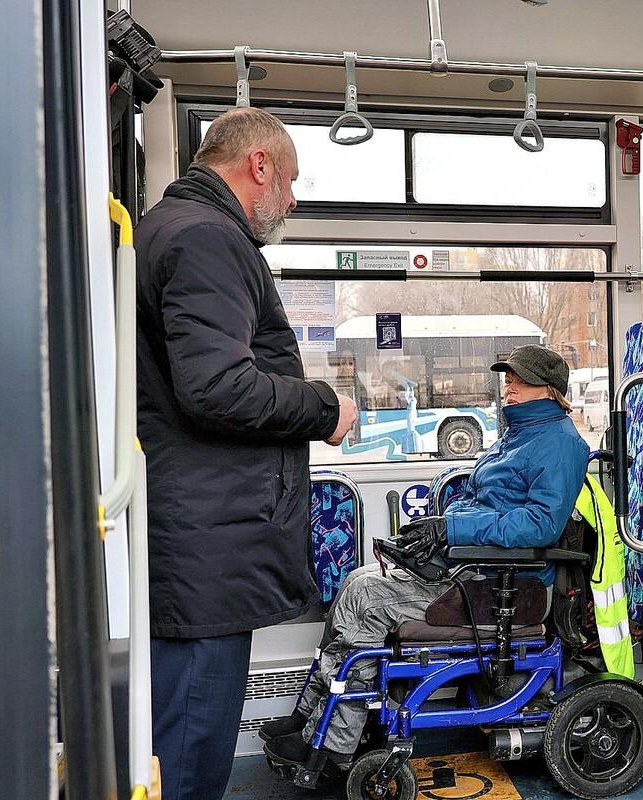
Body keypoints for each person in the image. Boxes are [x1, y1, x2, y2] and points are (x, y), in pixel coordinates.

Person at [136, 107, 358, 800]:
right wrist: (325, 406)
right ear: (257, 165)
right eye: (289, 182)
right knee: (194, 747)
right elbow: (215, 388)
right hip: (207, 546)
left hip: (196, 534)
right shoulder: (209, 239)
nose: (290, 201)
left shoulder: (168, 229)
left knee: (177, 735)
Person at [260, 345, 590, 769]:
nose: (509, 387)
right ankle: (309, 715)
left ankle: (335, 743)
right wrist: (436, 532)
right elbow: (483, 504)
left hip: (509, 588)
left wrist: (451, 530)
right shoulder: (518, 435)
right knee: (356, 581)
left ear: (549, 391)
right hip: (473, 570)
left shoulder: (560, 445)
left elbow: (539, 525)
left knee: (369, 603)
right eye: (509, 378)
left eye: (519, 380)